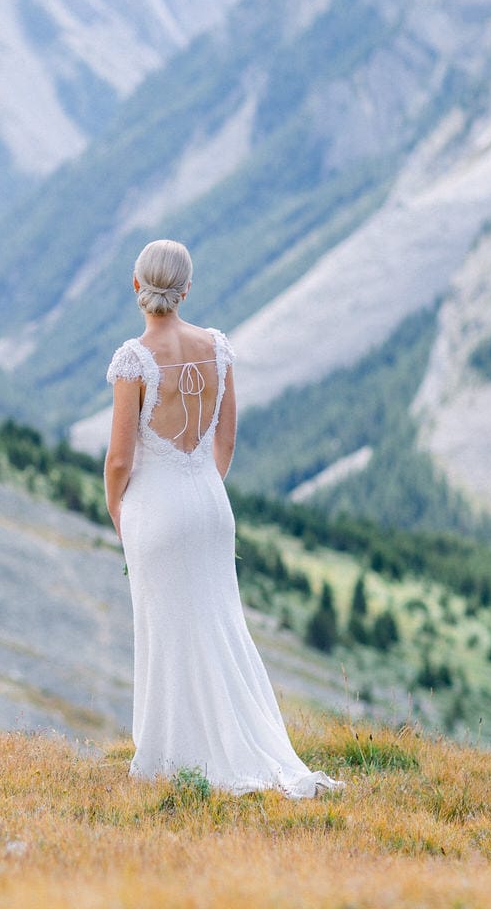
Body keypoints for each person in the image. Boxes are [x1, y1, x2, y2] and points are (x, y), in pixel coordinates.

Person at [103, 239, 340, 798]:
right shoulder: (217, 348)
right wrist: (202, 490)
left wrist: (120, 512)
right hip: (211, 507)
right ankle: (242, 745)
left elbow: (119, 459)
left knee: (167, 631)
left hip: (156, 513)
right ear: (187, 289)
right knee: (221, 625)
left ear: (137, 286)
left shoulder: (133, 360)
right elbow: (225, 440)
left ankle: (172, 755)